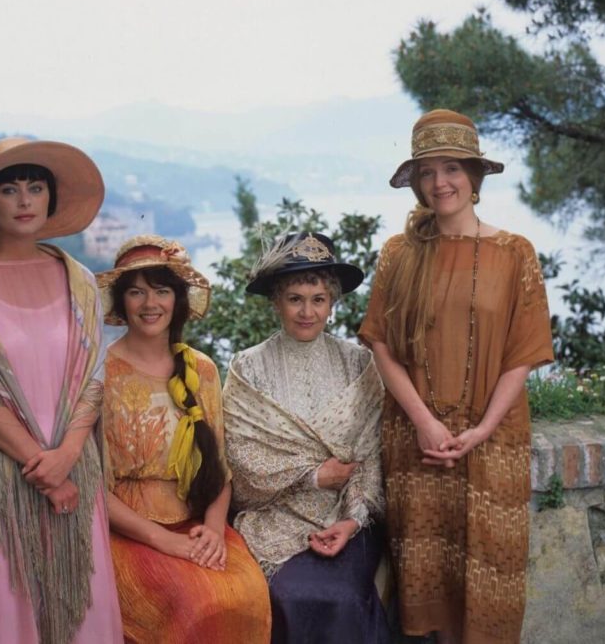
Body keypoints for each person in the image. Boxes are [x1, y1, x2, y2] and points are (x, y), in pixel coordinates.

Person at [358, 109, 554, 644]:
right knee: (428, 588)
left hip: (493, 445)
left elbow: (522, 353)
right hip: (416, 443)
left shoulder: (515, 253)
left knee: (490, 585)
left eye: (451, 168)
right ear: (417, 182)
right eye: (427, 171)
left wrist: (484, 429)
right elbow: (379, 341)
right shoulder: (398, 253)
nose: (440, 182)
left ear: (474, 175)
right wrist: (424, 422)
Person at [0, 137, 123, 644]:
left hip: (74, 469)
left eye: (35, 188)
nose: (24, 200)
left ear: (49, 199)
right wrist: (44, 469)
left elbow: (94, 377)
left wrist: (66, 455)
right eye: (9, 189)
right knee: (6, 606)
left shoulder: (79, 279)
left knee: (82, 607)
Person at [95, 235, 271, 644]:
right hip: (126, 530)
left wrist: (212, 529)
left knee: (246, 594)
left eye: (161, 290)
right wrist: (164, 541)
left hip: (197, 525)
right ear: (122, 303)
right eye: (136, 292)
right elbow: (93, 488)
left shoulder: (202, 370)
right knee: (190, 603)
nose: (149, 303)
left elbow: (219, 469)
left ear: (178, 299)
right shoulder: (100, 374)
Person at [223, 231, 390, 644]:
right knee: (286, 592)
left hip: (349, 513)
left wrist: (352, 521)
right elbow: (241, 456)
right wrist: (313, 476)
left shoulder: (359, 364)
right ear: (277, 301)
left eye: (318, 299)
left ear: (332, 303)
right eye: (295, 298)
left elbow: (371, 454)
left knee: (342, 597)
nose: (306, 312)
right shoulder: (249, 367)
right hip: (274, 516)